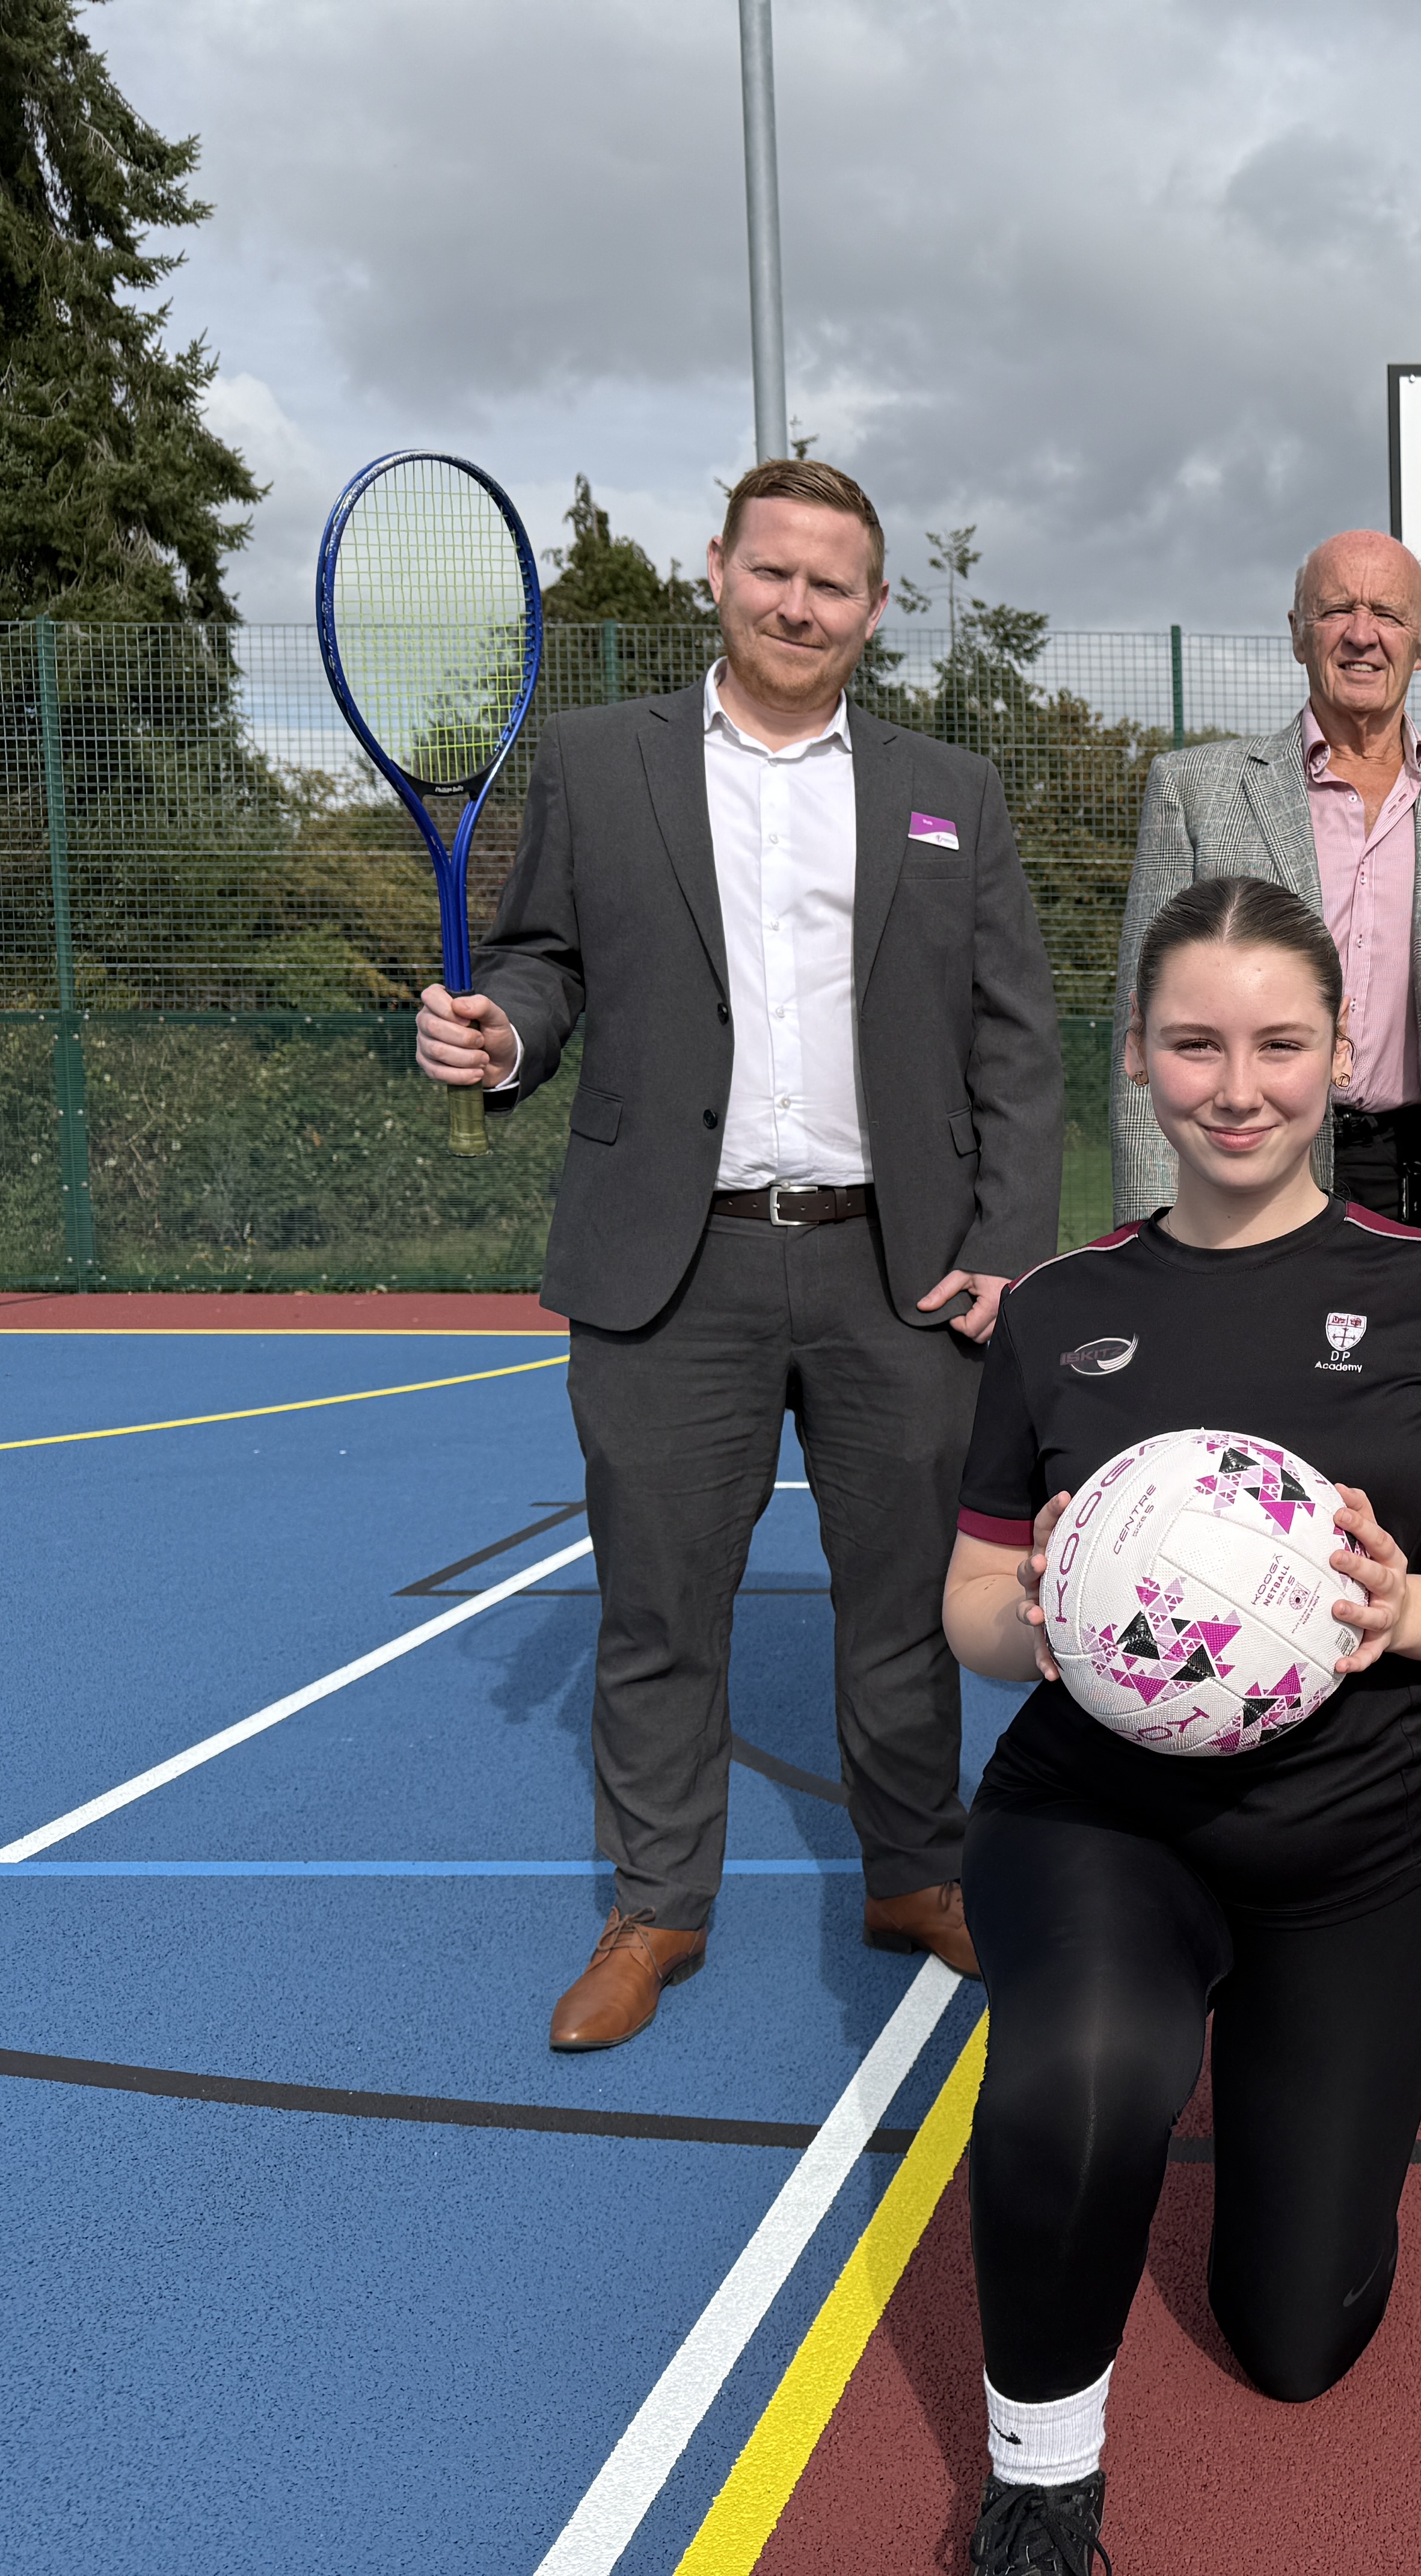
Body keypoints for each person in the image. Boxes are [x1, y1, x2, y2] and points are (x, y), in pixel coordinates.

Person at [942, 876, 1421, 2576]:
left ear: (1343, 1053)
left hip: (1354, 1852)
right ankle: (1040, 2480)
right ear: (1137, 1057)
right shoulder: (1059, 1308)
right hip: (1100, 1818)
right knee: (1086, 2074)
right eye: (1196, 1045)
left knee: (1299, 2339)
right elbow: (973, 1609)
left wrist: (1399, 1610)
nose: (1239, 1087)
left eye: (1281, 1044)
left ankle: (1294, 2125)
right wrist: (1039, 1612)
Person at [416, 457, 1063, 2051]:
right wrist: (503, 1036)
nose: (797, 604)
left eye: (831, 583)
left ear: (876, 608)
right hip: (669, 1266)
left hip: (896, 1267)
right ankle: (657, 1907)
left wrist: (1008, 1243)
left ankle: (917, 1872)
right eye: (772, 571)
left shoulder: (951, 790)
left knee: (904, 1602)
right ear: (716, 569)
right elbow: (543, 959)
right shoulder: (597, 760)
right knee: (657, 1607)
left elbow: (1014, 1039)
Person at [1109, 529, 1421, 1261]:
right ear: (1298, 634)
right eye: (1335, 611)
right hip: (1248, 1162)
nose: (1362, 634)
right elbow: (1142, 1021)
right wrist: (1143, 1235)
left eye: (1388, 613)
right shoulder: (1197, 792)